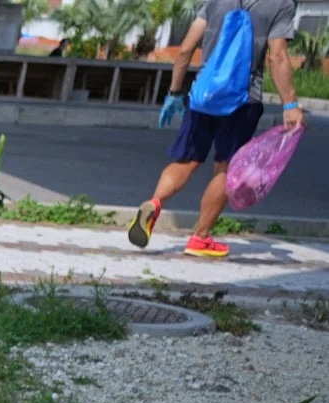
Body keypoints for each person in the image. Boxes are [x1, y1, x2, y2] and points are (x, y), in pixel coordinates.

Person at [129, 0, 305, 259]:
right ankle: (200, 237)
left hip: (204, 94)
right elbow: (277, 55)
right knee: (226, 166)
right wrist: (290, 104)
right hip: (243, 100)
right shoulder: (280, 4)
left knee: (187, 160)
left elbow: (185, 50)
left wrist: (175, 93)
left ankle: (154, 203)